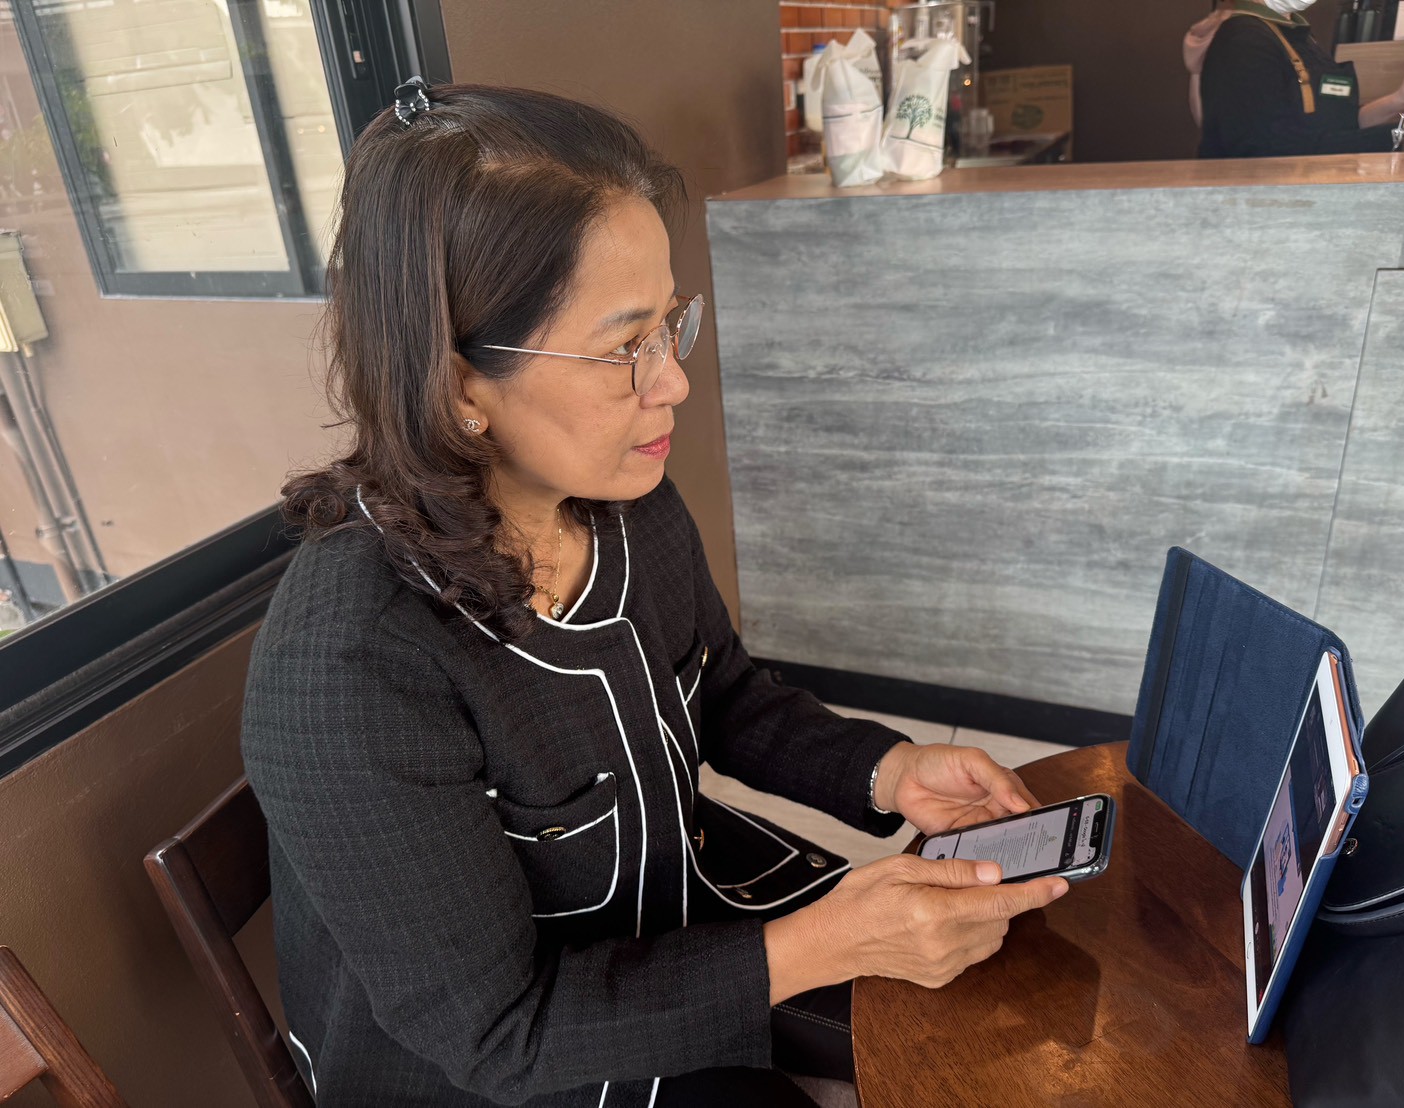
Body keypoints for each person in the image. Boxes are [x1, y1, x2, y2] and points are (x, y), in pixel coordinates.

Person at [239, 80, 1069, 1108]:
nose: (670, 380)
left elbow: (721, 692)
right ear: (458, 386)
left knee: (1006, 1001)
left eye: (669, 325)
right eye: (621, 347)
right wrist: (817, 946)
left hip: (669, 933)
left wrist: (888, 768)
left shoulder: (620, 502)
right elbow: (499, 1035)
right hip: (514, 1074)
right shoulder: (355, 665)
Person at [1188, 0, 1404, 157]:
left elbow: (1338, 123)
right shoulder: (1244, 40)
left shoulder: (1297, 36)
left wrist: (1399, 100)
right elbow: (1269, 148)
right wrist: (1403, 137)